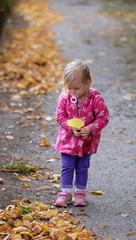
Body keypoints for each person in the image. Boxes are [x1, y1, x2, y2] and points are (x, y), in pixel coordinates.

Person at [55, 59, 109, 207]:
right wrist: (69, 127)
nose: (73, 92)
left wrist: (91, 128)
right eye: (69, 88)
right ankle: (65, 192)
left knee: (82, 167)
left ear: (88, 83)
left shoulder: (96, 100)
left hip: (86, 142)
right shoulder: (66, 98)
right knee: (67, 166)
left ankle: (80, 192)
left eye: (76, 88)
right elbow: (60, 115)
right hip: (68, 140)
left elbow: (103, 117)